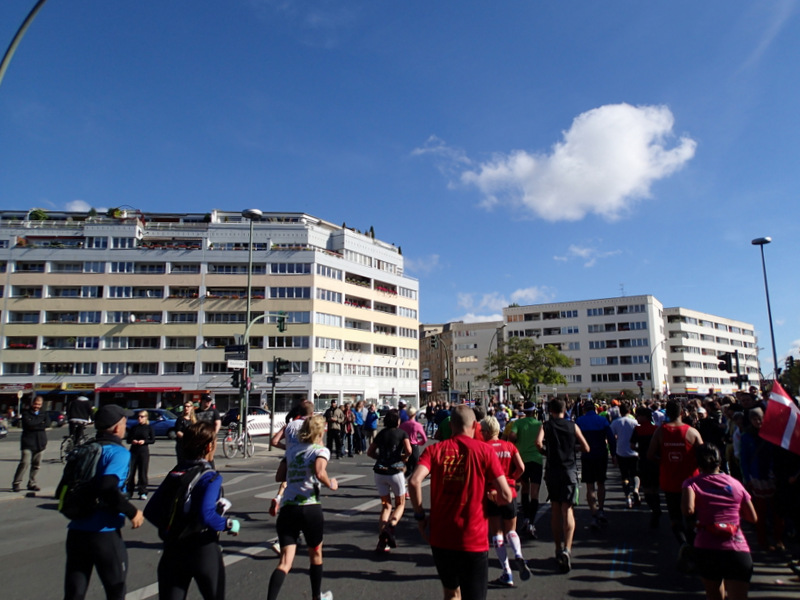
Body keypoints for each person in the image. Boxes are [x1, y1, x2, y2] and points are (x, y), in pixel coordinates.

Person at [409, 405, 512, 600]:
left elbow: (414, 481)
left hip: (441, 536)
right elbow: (506, 495)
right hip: (473, 537)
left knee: (451, 592)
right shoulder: (485, 451)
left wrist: (420, 516)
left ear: (452, 425)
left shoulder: (434, 450)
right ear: (475, 425)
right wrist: (492, 497)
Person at [145, 421, 240, 600]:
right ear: (209, 446)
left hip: (173, 549)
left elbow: (150, 511)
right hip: (202, 549)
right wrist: (228, 524)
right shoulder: (209, 476)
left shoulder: (176, 472)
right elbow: (207, 515)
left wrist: (172, 528)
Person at [64, 404, 145, 600]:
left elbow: (64, 487)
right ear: (118, 427)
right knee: (115, 589)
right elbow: (108, 487)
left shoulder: (83, 449)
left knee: (75, 592)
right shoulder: (118, 453)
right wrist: (132, 511)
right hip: (104, 533)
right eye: (125, 421)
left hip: (76, 530)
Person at [266, 415, 337, 600]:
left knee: (284, 562)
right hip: (310, 507)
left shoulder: (291, 451)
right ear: (321, 432)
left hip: (289, 507)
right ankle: (316, 596)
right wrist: (331, 484)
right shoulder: (320, 450)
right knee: (315, 554)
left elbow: (279, 476)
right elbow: (320, 472)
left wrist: (295, 474)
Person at [682, 444, 757, 600]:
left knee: (714, 595)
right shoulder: (736, 484)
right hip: (736, 548)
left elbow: (687, 510)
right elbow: (752, 517)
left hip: (707, 548)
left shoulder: (691, 483)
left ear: (698, 463)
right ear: (719, 461)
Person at [648, 399, 703, 570]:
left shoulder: (660, 432)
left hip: (669, 481)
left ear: (667, 413)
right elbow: (704, 456)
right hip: (691, 483)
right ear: (682, 413)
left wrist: (664, 461)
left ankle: (682, 543)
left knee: (674, 516)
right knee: (691, 516)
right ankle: (693, 546)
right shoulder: (692, 432)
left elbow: (650, 455)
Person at [538, 397, 590, 573]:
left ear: (550, 410)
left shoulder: (546, 425)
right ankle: (568, 549)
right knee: (567, 510)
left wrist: (546, 452)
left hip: (552, 469)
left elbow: (538, 443)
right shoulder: (572, 426)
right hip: (569, 469)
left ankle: (558, 548)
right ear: (565, 409)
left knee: (555, 509)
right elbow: (586, 447)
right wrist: (573, 449)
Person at [480, 416, 530, 588]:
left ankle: (506, 571)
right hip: (509, 491)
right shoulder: (509, 446)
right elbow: (521, 468)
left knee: (497, 533)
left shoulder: (483, 448)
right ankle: (518, 554)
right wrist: (511, 480)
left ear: (486, 431)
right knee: (511, 530)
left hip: (491, 492)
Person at [739, 407, 784, 550]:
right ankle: (762, 541)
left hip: (773, 476)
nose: (757, 421)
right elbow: (743, 460)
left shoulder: (771, 434)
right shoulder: (746, 436)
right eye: (754, 419)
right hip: (757, 478)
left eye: (760, 418)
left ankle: (778, 540)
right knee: (761, 512)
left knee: (777, 511)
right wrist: (747, 479)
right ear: (750, 420)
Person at [368, 409, 412, 552]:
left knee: (386, 505)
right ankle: (391, 526)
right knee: (400, 504)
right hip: (395, 471)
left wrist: (380, 459)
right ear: (398, 421)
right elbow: (409, 450)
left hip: (380, 471)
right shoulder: (402, 433)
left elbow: (370, 452)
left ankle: (382, 540)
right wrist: (403, 458)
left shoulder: (381, 434)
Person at [575, 400, 615, 529]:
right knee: (601, 483)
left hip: (587, 455)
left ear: (584, 409)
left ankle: (593, 513)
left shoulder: (580, 421)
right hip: (601, 454)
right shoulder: (602, 420)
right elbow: (611, 438)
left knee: (589, 486)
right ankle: (601, 509)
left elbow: (574, 439)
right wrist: (613, 454)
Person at [507, 401, 545, 539]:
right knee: (534, 493)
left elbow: (511, 437)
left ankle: (526, 519)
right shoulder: (539, 424)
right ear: (534, 411)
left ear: (524, 412)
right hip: (536, 459)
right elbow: (541, 441)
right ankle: (531, 523)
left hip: (522, 459)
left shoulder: (518, 423)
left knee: (524, 489)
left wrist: (517, 441)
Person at [12, 396, 49, 492]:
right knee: (25, 463)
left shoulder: (44, 413)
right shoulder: (26, 413)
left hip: (40, 442)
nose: (37, 406)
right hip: (28, 442)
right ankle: (16, 483)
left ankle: (32, 483)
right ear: (32, 403)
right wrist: (40, 424)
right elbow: (29, 425)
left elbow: (47, 424)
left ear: (41, 405)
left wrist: (36, 424)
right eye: (35, 404)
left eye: (39, 404)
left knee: (36, 465)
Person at [609, 403, 640, 509]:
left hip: (621, 451)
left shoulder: (615, 422)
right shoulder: (635, 422)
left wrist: (612, 453)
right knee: (635, 473)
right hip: (634, 451)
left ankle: (628, 497)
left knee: (624, 475)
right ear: (630, 411)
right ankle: (636, 489)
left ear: (620, 412)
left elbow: (611, 437)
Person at [126, 410, 155, 500]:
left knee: (142, 472)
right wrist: (133, 441)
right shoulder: (134, 427)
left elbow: (152, 440)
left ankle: (142, 492)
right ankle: (129, 491)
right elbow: (128, 439)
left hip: (143, 451)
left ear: (146, 418)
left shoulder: (149, 428)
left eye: (142, 417)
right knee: (131, 473)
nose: (140, 418)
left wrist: (144, 441)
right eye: (138, 416)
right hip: (134, 451)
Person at [399, 405, 427, 480]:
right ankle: (412, 482)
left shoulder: (403, 425)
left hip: (405, 446)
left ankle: (402, 479)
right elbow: (424, 438)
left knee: (408, 466)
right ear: (415, 414)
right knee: (415, 465)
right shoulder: (417, 425)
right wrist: (419, 443)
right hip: (414, 445)